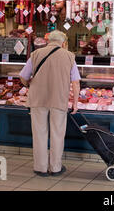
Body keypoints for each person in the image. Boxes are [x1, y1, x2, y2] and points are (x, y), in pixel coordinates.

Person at [19, 30, 80, 177]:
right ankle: (55, 167)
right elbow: (76, 83)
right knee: (57, 134)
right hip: (58, 99)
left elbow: (23, 76)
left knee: (39, 133)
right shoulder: (69, 56)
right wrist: (75, 103)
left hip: (38, 99)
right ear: (63, 43)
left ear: (48, 41)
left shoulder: (35, 55)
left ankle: (40, 167)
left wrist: (29, 84)